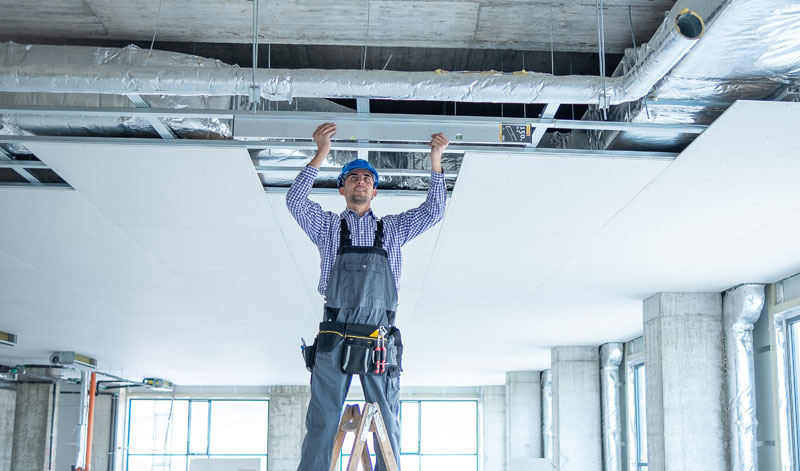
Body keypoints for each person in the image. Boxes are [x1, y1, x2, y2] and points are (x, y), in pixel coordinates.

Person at [286, 122, 448, 471]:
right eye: (354, 177)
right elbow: (294, 201)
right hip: (335, 334)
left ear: (375, 191)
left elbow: (434, 212)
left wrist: (436, 162)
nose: (361, 181)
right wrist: (321, 154)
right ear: (342, 188)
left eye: (367, 179)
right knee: (322, 420)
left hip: (378, 337)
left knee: (387, 419)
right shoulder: (327, 226)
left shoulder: (392, 228)